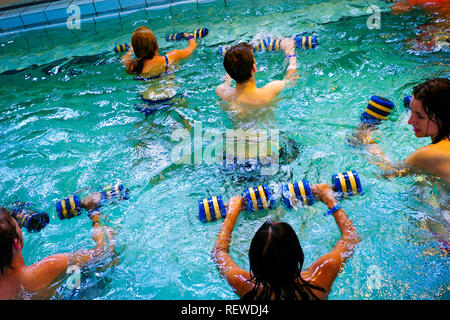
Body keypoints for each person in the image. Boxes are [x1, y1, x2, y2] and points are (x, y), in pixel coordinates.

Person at [211, 183, 360, 300]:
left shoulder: (243, 284)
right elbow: (351, 238)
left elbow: (218, 252)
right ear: (299, 256)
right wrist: (329, 198)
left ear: (253, 263)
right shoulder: (320, 278)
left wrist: (232, 211)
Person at [0, 207, 115, 300]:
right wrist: (96, 218)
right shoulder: (51, 266)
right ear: (16, 244)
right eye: (18, 227)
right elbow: (103, 252)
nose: (20, 228)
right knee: (108, 262)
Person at [354, 78, 450, 183]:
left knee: (420, 185)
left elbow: (387, 172)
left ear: (442, 118)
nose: (410, 121)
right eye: (412, 112)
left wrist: (366, 134)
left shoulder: (429, 154)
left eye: (420, 116)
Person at [121, 26, 198, 117]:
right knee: (188, 118)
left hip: (148, 102)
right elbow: (192, 47)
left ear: (137, 51)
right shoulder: (170, 58)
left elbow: (123, 59)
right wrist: (189, 36)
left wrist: (130, 50)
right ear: (156, 44)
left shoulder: (133, 66)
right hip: (171, 97)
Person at [216, 38, 298, 119]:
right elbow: (291, 79)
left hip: (236, 132)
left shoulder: (222, 91)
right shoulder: (272, 89)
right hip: (268, 132)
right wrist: (290, 52)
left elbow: (226, 81)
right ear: (254, 68)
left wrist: (232, 67)